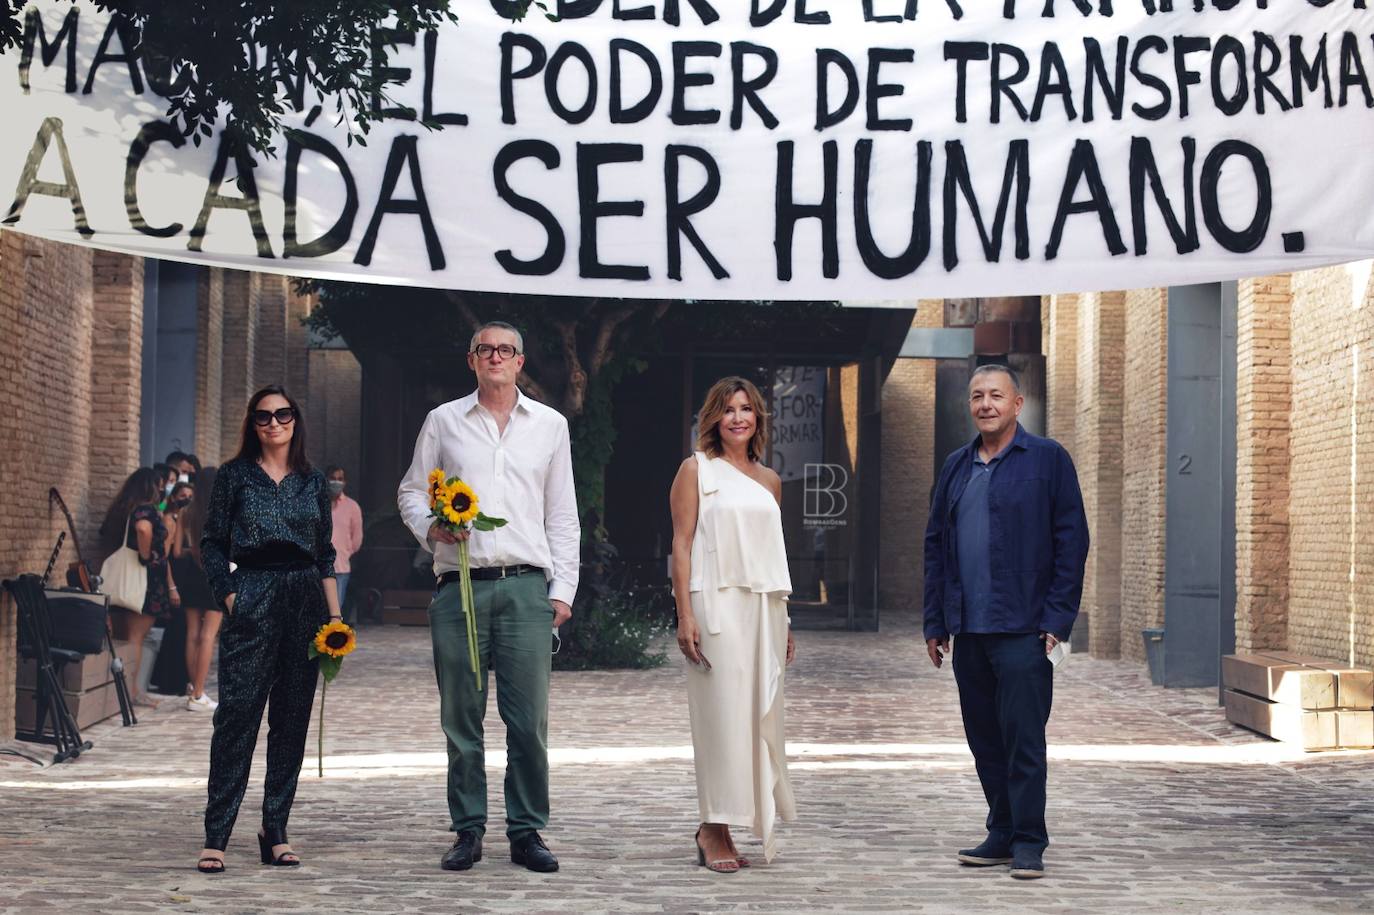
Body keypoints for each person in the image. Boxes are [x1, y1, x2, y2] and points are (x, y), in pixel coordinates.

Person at [397, 321, 579, 875]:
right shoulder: (443, 422)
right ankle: (467, 830)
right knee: (461, 720)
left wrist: (563, 590)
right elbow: (410, 490)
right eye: (485, 349)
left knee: (528, 722)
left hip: (526, 588)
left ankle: (527, 832)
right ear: (471, 360)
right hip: (460, 589)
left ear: (520, 362)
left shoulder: (549, 426)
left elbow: (561, 514)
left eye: (506, 350)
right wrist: (433, 527)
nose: (495, 357)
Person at [922, 364, 1089, 881]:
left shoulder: (1048, 460)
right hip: (968, 628)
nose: (986, 404)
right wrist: (935, 622)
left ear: (1018, 404)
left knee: (1023, 738)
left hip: (1023, 627)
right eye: (977, 397)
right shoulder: (956, 465)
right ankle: (1000, 829)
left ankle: (1029, 841)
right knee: (984, 738)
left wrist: (1057, 620)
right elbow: (935, 546)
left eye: (996, 395)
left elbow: (1072, 542)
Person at [196, 386, 341, 874]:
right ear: (252, 423)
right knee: (237, 715)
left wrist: (335, 620)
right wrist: (230, 594)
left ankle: (274, 828)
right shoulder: (235, 476)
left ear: (296, 420)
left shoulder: (313, 481)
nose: (273, 423)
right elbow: (213, 543)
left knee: (291, 718)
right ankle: (217, 834)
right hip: (253, 590)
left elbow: (325, 554)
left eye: (282, 414)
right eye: (263, 416)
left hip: (305, 599)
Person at [669, 376, 797, 873]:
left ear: (758, 418)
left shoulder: (769, 481)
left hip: (764, 608)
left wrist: (785, 623)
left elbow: (772, 553)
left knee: (754, 716)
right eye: (728, 409)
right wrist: (685, 613)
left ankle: (733, 819)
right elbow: (681, 544)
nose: (738, 417)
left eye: (747, 409)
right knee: (719, 717)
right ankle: (712, 827)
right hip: (714, 602)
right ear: (714, 419)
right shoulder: (694, 470)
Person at [98, 467, 173, 707]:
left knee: (121, 637)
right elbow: (143, 528)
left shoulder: (122, 510)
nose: (162, 490)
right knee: (136, 638)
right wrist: (145, 554)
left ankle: (118, 692)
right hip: (143, 582)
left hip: (122, 582)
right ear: (150, 487)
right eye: (159, 485)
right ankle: (131, 692)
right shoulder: (145, 509)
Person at [170, 469, 222, 710]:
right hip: (214, 574)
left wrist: (195, 550)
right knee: (208, 635)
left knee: (192, 632)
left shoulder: (185, 512)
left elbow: (177, 552)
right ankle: (199, 694)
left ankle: (194, 688)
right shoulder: (223, 512)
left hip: (191, 574)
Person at [149, 482, 194, 696]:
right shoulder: (169, 520)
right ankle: (169, 681)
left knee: (182, 631)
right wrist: (171, 586)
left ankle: (178, 680)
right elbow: (164, 557)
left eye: (190, 495)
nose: (186, 498)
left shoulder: (185, 521)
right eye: (182, 494)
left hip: (186, 583)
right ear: (174, 497)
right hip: (174, 583)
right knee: (176, 631)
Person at [326, 465, 364, 625]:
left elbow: (357, 538)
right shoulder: (318, 503)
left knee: (336, 611)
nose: (336, 482)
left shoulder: (352, 506)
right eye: (333, 478)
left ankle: (330, 647)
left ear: (345, 482)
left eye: (339, 479)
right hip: (316, 568)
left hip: (340, 568)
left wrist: (345, 552)